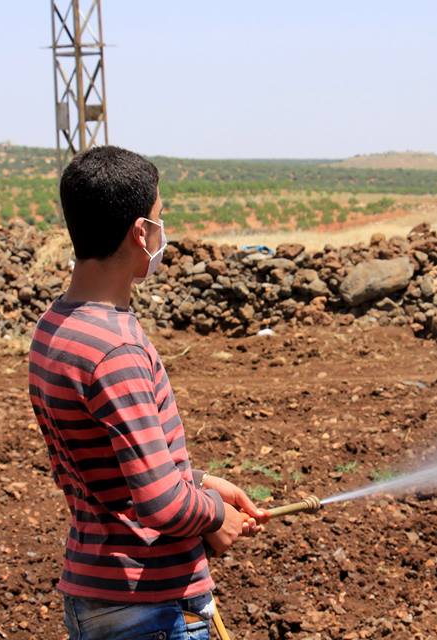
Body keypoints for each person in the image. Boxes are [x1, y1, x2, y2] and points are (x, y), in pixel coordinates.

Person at [28, 145, 268, 639]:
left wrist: (200, 480)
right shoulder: (116, 350)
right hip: (149, 608)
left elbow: (109, 465)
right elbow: (160, 503)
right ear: (141, 232)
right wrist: (214, 514)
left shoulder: (56, 327)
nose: (163, 231)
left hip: (97, 593)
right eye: (159, 217)